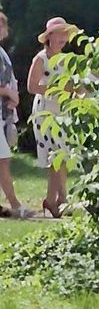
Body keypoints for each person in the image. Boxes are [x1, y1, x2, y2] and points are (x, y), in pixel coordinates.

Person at [28, 16, 78, 218]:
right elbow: (32, 86)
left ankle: (59, 200)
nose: (63, 38)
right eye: (59, 34)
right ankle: (53, 200)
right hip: (45, 112)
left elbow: (73, 85)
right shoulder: (41, 58)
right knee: (55, 157)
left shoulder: (66, 59)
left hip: (63, 111)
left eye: (65, 34)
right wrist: (55, 90)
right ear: (49, 36)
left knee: (62, 156)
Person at [0, 12, 33, 219]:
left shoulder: (2, 52)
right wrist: (8, 93)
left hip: (3, 114)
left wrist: (13, 97)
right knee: (3, 160)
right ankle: (15, 204)